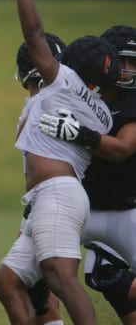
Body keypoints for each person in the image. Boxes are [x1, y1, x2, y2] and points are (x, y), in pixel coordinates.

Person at [3, 0, 119, 325]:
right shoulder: (101, 111)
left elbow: (34, 33)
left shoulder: (61, 81)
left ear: (72, 67)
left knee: (63, 280)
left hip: (57, 195)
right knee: (8, 282)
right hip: (53, 197)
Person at [39, 25, 136, 324]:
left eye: (134, 62)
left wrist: (80, 134)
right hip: (77, 207)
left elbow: (122, 149)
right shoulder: (74, 95)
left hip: (127, 210)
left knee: (113, 283)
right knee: (25, 275)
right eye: (124, 61)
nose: (129, 69)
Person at [0, 33, 67, 325]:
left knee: (14, 283)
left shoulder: (42, 105)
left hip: (54, 204)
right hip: (45, 205)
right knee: (40, 287)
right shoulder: (51, 102)